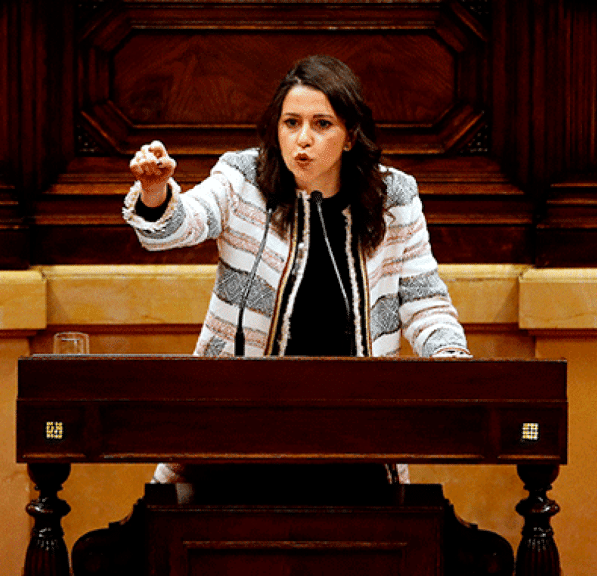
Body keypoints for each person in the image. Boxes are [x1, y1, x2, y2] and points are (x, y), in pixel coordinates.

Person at [124, 55, 471, 487]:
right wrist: (156, 193)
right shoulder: (243, 178)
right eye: (291, 123)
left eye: (322, 124)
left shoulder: (392, 196)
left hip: (355, 435)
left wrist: (452, 362)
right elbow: (182, 223)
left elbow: (425, 302)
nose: (302, 139)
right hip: (238, 430)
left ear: (349, 136)